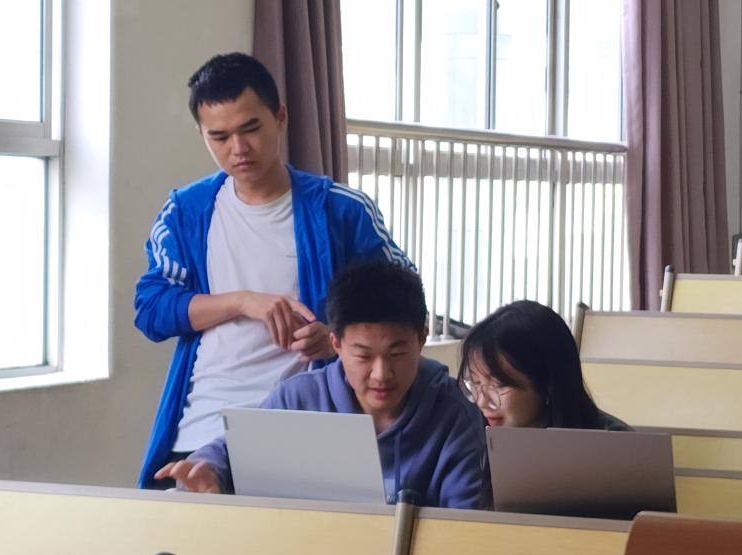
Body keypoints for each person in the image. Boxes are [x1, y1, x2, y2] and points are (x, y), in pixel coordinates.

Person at [134, 53, 410, 488]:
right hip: (203, 425)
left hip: (305, 424)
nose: (238, 149)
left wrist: (335, 337)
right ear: (201, 134)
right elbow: (151, 309)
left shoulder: (340, 210)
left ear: (280, 118)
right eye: (219, 136)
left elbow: (403, 300)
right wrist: (244, 302)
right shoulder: (186, 212)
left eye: (251, 129)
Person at [160, 260, 492, 510]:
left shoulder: (456, 416)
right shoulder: (298, 399)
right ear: (335, 343)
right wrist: (209, 471)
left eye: (397, 353)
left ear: (421, 338)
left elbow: (464, 529)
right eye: (363, 355)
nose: (381, 374)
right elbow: (229, 452)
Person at [458, 300, 631, 431]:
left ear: (548, 384)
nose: (482, 401)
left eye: (498, 385)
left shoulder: (613, 447)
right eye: (475, 383)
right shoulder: (472, 437)